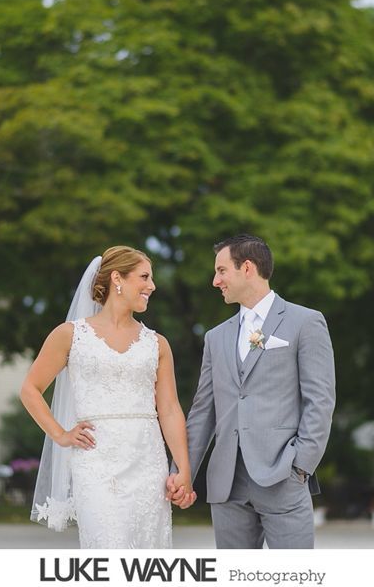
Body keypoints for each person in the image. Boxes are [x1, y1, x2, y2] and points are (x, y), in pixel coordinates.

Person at [20, 246, 196, 549]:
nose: (152, 286)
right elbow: (30, 389)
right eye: (144, 277)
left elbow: (168, 409)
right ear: (118, 278)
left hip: (147, 463)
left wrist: (183, 469)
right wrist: (60, 434)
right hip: (96, 464)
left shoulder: (157, 344)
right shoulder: (69, 335)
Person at [167, 234, 336, 548]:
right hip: (226, 483)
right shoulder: (216, 338)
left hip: (282, 474)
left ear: (247, 268)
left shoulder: (305, 322)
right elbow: (203, 412)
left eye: (221, 271)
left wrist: (300, 465)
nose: (215, 281)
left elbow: (320, 400)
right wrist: (182, 470)